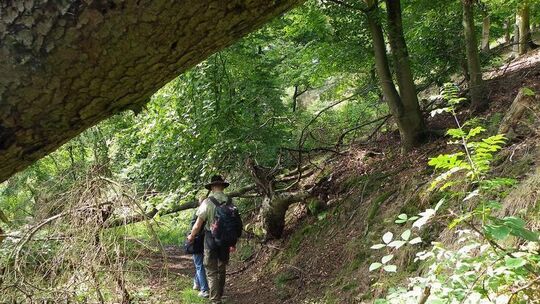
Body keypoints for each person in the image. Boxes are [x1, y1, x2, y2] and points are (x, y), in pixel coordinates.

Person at [187, 175, 232, 304]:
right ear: (223, 186)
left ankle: (215, 299)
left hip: (211, 239)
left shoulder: (207, 202)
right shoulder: (230, 200)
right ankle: (220, 293)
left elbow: (198, 224)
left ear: (212, 187)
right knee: (221, 267)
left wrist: (191, 236)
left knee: (211, 269)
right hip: (225, 239)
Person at [190, 198, 209, 298]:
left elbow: (194, 227)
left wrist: (191, 237)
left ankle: (204, 289)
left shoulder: (198, 214)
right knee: (200, 265)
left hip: (198, 242)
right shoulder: (211, 213)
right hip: (209, 242)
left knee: (199, 265)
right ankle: (196, 283)